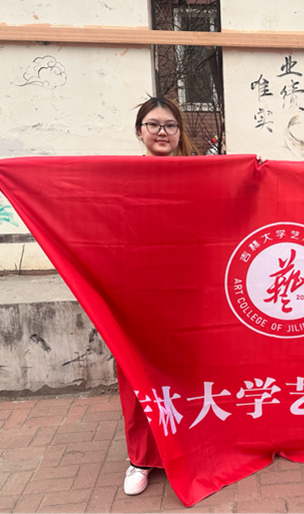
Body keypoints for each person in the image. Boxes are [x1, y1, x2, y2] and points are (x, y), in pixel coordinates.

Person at [120, 96, 197, 496]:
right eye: (153, 124)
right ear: (140, 131)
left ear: (179, 132)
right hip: (138, 293)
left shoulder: (199, 176)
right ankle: (141, 458)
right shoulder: (122, 178)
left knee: (191, 372)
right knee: (138, 373)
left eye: (170, 125)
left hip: (190, 291)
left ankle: (192, 446)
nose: (162, 132)